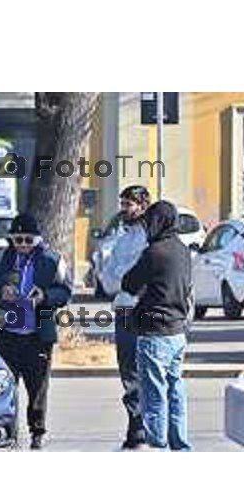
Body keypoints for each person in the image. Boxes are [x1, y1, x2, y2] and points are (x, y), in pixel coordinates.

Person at [0, 213, 72, 450]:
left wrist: (45, 296)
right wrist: (0, 289)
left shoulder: (52, 260)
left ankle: (37, 433)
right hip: (7, 333)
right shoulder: (1, 257)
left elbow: (66, 292)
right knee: (4, 386)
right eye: (18, 240)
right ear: (11, 239)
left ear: (38, 239)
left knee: (37, 388)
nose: (24, 245)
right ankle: (4, 431)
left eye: (29, 240)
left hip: (38, 336)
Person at [122, 201, 193, 451]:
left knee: (154, 396)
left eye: (149, 221)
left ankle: (159, 447)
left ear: (157, 222)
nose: (147, 227)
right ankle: (180, 446)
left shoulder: (154, 252)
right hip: (177, 331)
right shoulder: (183, 250)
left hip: (154, 332)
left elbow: (128, 283)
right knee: (175, 392)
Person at [99, 185, 151, 450]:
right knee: (128, 373)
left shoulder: (149, 239)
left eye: (128, 204)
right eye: (122, 204)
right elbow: (107, 281)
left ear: (143, 205)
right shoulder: (122, 239)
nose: (123, 209)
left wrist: (123, 277)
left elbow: (137, 278)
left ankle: (143, 430)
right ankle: (135, 428)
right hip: (122, 311)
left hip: (140, 311)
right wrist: (123, 277)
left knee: (144, 372)